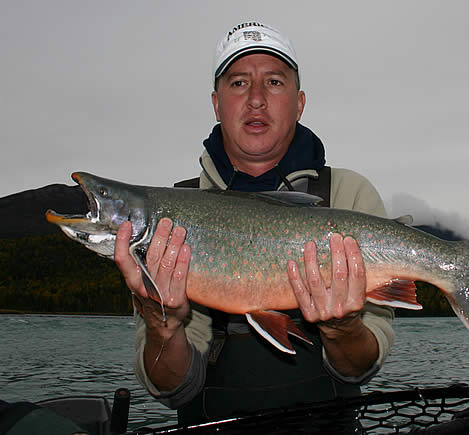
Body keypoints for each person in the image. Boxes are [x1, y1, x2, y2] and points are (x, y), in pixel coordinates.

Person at [114, 22, 395, 425]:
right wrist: (163, 327)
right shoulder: (171, 216)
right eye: (239, 83)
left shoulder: (349, 196)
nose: (257, 100)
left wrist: (342, 329)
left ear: (299, 103)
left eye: (274, 82)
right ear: (216, 102)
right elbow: (171, 388)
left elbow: (360, 369)